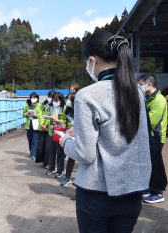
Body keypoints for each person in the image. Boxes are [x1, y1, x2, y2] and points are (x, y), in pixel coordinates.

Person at [59, 31, 151, 233]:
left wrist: (65, 141)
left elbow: (85, 153)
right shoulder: (137, 92)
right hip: (132, 190)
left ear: (93, 60)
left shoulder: (87, 95)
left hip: (97, 192)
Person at [138, 72, 167, 203]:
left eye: (141, 85)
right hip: (149, 137)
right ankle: (149, 188)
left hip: (156, 137)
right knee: (147, 163)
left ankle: (157, 192)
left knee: (155, 164)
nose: (140, 87)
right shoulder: (148, 97)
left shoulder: (159, 100)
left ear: (148, 84)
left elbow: (151, 120)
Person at [45, 92, 67, 178]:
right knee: (51, 151)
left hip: (60, 133)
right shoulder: (50, 108)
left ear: (61, 100)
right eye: (54, 100)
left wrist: (59, 121)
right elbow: (46, 117)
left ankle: (60, 170)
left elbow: (67, 121)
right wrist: (46, 121)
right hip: (51, 131)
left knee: (60, 152)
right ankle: (51, 168)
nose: (55, 102)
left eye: (57, 100)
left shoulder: (65, 108)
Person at [60, 84, 79, 187]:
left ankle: (80, 180)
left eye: (73, 90)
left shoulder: (82, 103)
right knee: (71, 156)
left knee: (85, 158)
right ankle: (67, 178)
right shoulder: (69, 106)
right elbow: (65, 116)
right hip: (73, 132)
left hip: (83, 134)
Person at [37, 90, 56, 168]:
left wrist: (46, 124)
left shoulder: (54, 106)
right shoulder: (43, 105)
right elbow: (40, 115)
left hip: (49, 128)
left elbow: (52, 116)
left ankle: (47, 162)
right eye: (49, 96)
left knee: (48, 147)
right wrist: (42, 124)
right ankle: (43, 162)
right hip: (42, 128)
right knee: (41, 146)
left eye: (51, 97)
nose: (50, 98)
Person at [23, 92, 42, 160]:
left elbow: (41, 115)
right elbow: (23, 114)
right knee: (30, 139)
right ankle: (32, 152)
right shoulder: (27, 105)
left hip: (36, 123)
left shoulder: (39, 105)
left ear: (37, 98)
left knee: (35, 140)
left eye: (35, 97)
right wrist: (27, 113)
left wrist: (36, 115)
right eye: (32, 97)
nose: (33, 99)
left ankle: (33, 155)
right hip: (29, 124)